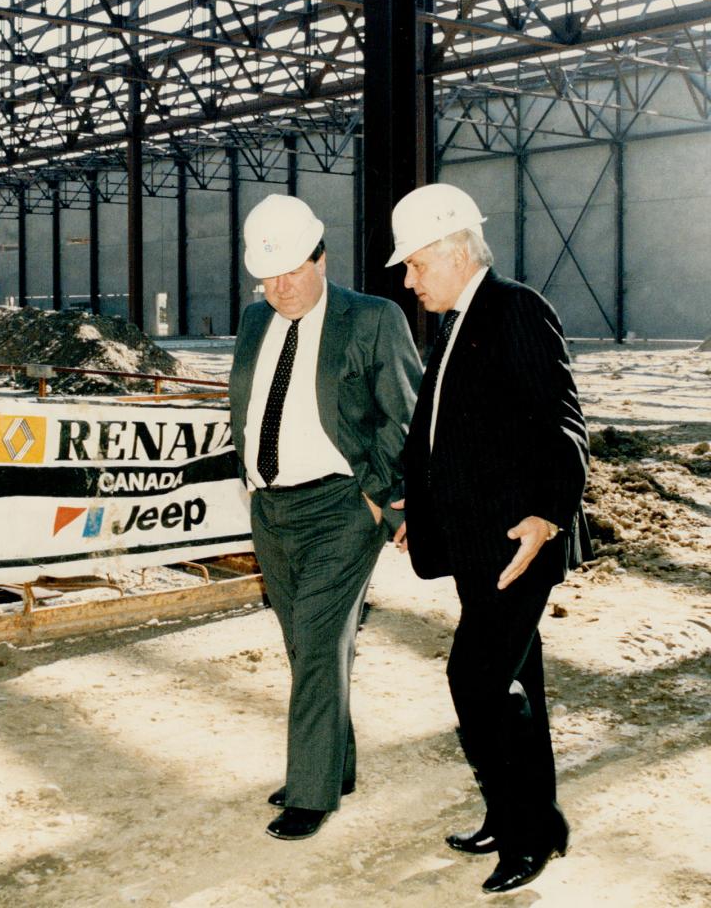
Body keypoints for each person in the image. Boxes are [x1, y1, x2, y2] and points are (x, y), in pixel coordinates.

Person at [387, 182, 589, 894]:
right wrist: (421, 503)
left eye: (414, 265)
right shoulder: (456, 320)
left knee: (474, 683)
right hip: (475, 543)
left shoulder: (516, 310)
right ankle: (533, 820)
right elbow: (440, 430)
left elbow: (563, 424)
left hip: (517, 543)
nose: (408, 281)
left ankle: (525, 835)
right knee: (513, 684)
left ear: (450, 251)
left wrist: (547, 515)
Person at [229, 193, 422, 841]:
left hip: (344, 505)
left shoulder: (372, 319)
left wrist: (395, 500)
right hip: (271, 505)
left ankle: (312, 793)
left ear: (321, 257)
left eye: (290, 272)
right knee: (304, 644)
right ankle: (333, 764)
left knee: (315, 638)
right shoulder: (256, 321)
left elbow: (405, 414)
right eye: (266, 275)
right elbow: (251, 406)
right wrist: (252, 482)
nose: (278, 288)